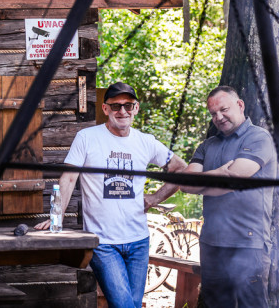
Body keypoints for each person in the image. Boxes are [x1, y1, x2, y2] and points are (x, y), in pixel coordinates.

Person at [34, 82, 186, 308]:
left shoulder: (146, 142)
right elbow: (68, 178)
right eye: (116, 106)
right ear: (105, 109)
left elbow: (180, 168)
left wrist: (154, 198)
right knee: (124, 305)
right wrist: (56, 216)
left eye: (128, 105)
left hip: (139, 241)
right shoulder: (87, 137)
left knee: (132, 304)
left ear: (136, 108)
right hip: (103, 243)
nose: (122, 111)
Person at [178, 85, 278, 308]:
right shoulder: (207, 145)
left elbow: (233, 180)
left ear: (240, 105)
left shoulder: (258, 138)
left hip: (248, 243)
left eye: (224, 110)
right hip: (212, 243)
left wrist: (205, 180)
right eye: (213, 113)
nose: (218, 117)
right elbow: (184, 184)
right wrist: (218, 175)